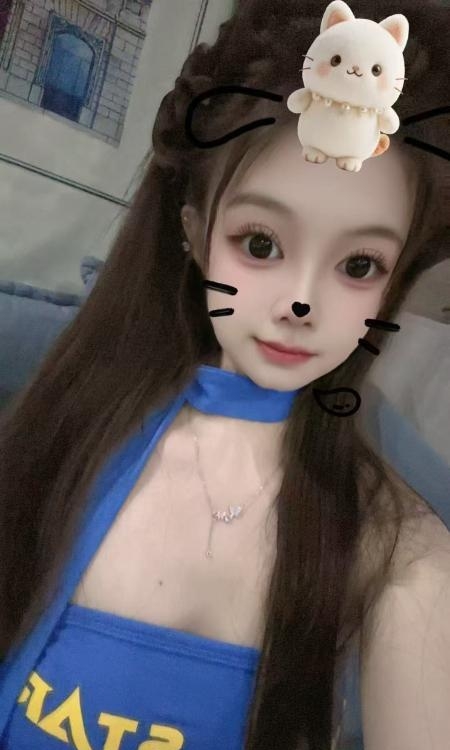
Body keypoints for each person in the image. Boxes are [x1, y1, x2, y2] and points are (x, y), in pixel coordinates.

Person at [0, 0, 449, 748]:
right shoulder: (70, 428)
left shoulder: (402, 556)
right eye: (261, 243)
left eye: (359, 264)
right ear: (194, 232)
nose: (302, 303)